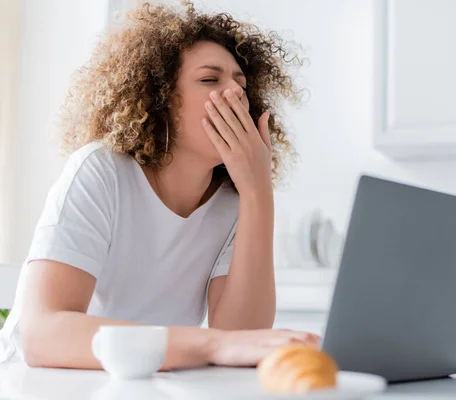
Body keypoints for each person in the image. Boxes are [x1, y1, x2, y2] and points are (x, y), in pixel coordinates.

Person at [0, 1, 319, 369]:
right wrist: (208, 346)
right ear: (159, 98)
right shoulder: (101, 172)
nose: (235, 94)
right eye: (209, 79)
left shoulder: (236, 200)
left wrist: (258, 192)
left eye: (241, 83)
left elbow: (240, 338)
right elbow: (43, 336)